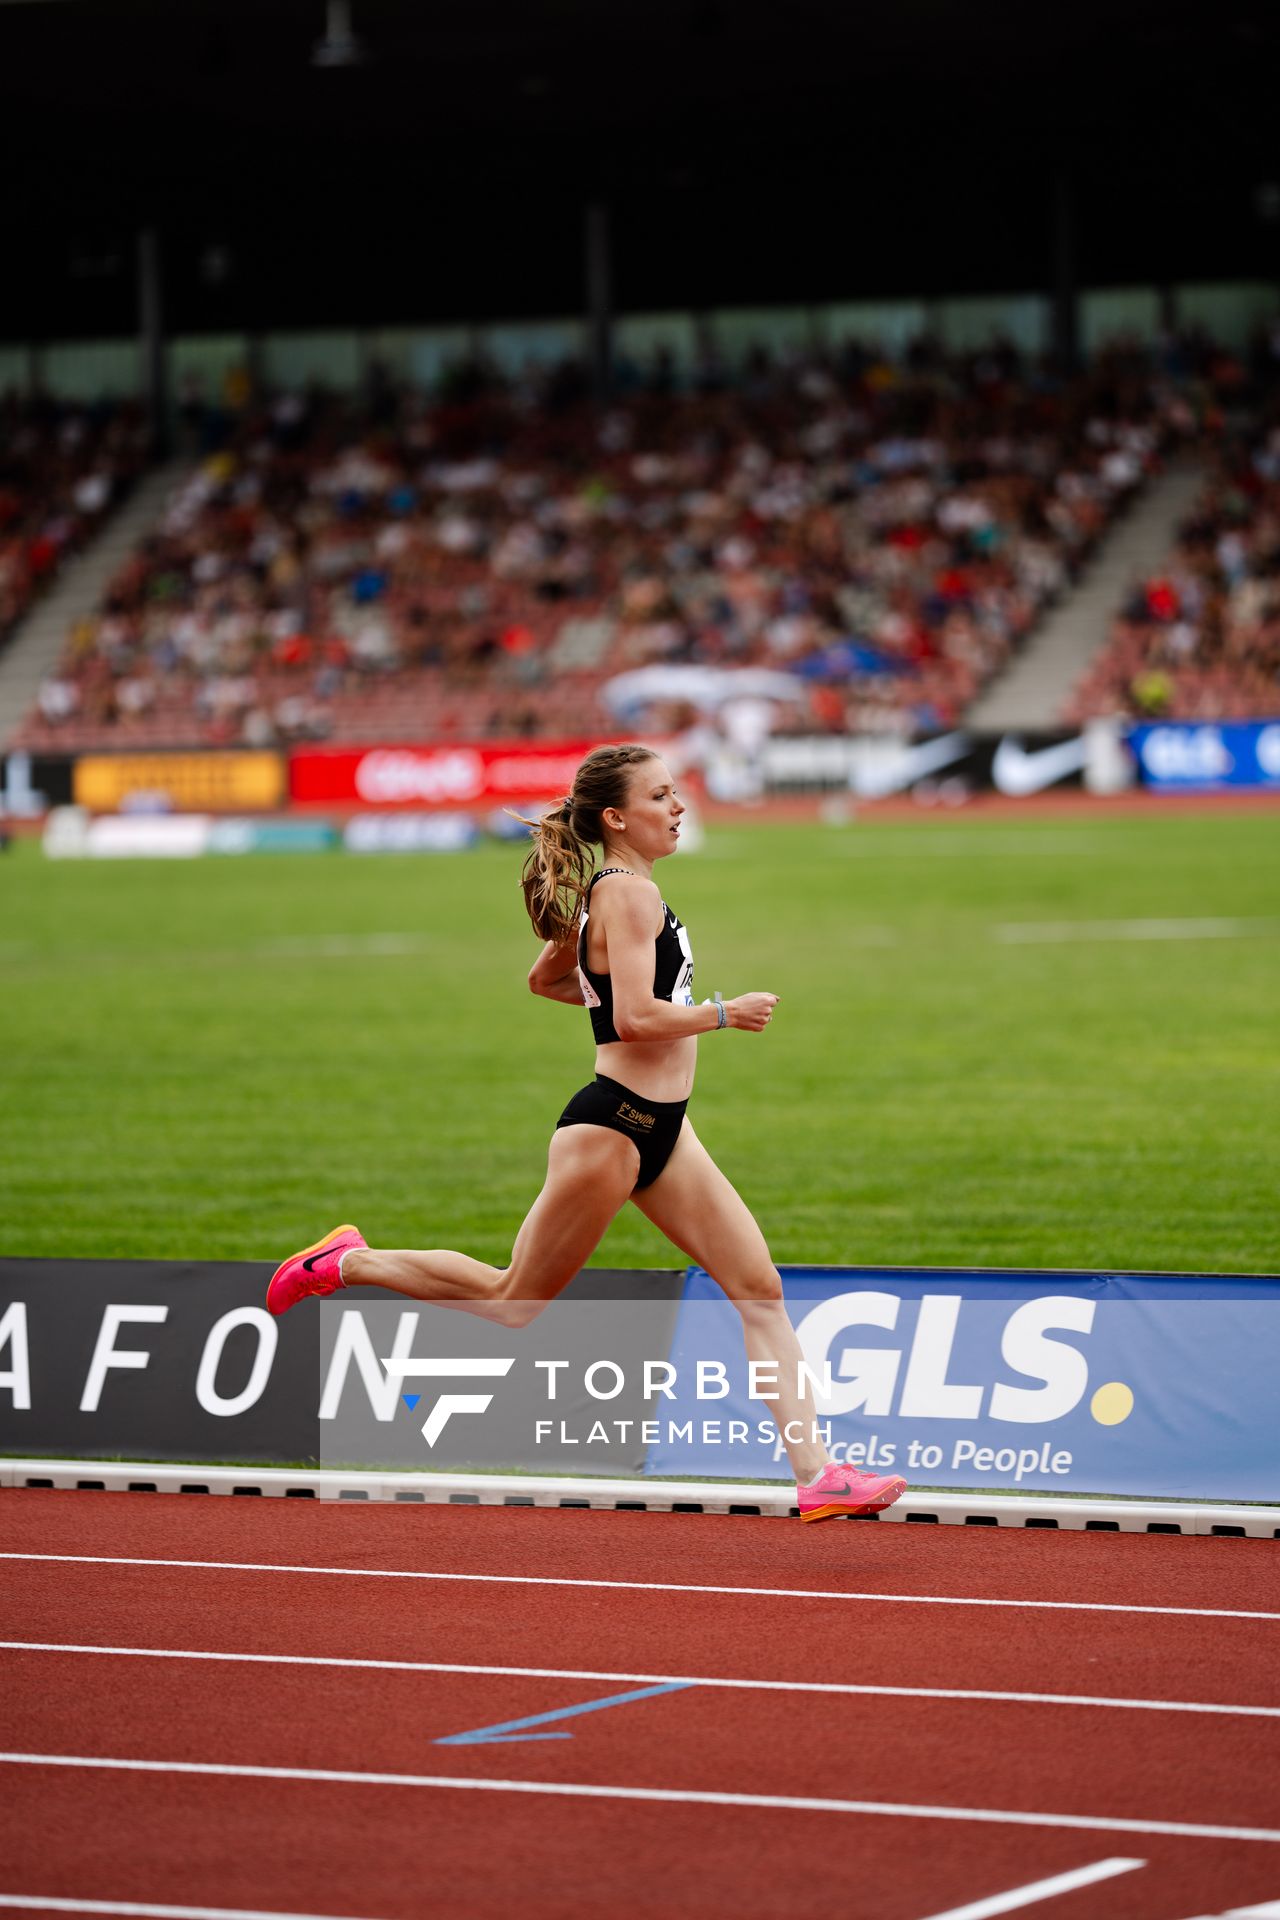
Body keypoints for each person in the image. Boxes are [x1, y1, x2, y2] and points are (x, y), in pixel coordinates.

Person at [267, 741, 906, 1522]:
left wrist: (614, 997)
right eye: (661, 797)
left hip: (665, 1129)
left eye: (676, 794)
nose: (678, 807)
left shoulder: (621, 892)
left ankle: (819, 1477)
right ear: (616, 817)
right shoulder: (627, 896)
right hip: (613, 1127)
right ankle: (347, 1263)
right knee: (513, 1301)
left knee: (759, 1290)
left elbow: (548, 980)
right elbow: (634, 1018)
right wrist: (721, 1014)